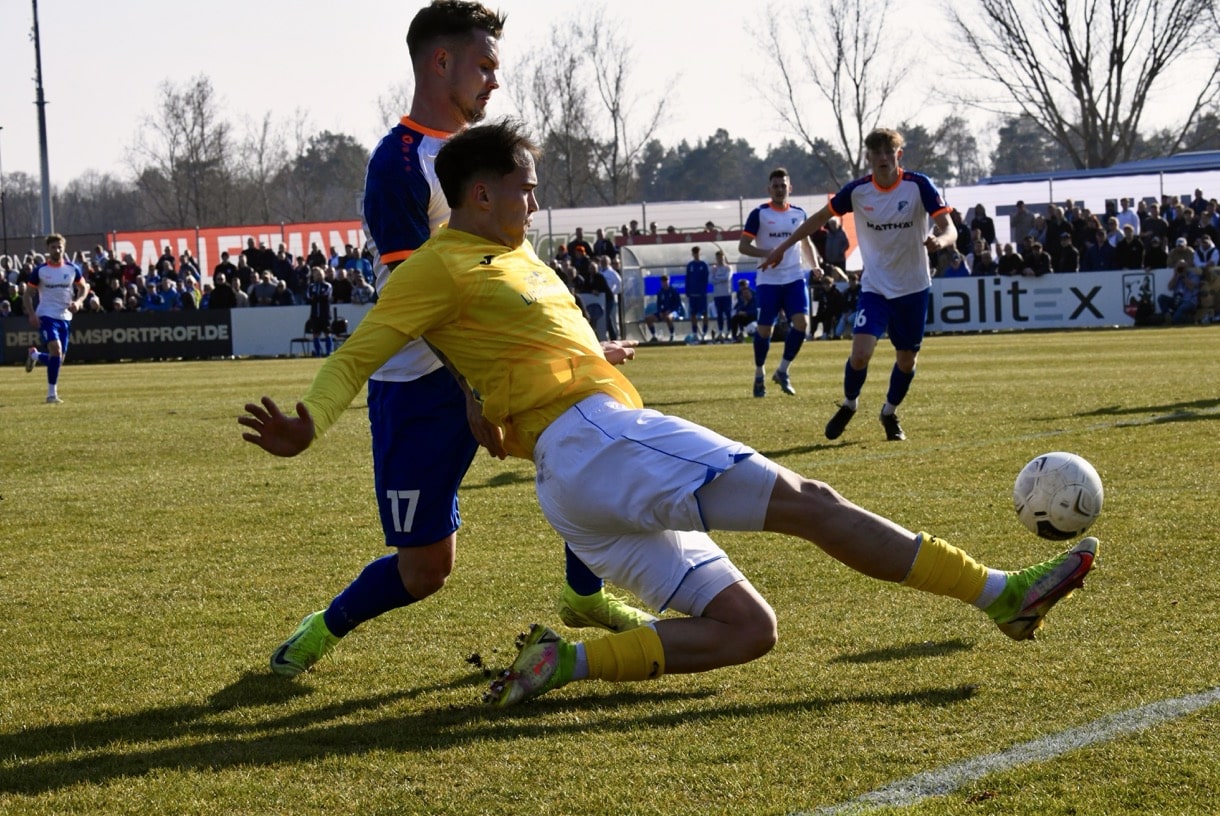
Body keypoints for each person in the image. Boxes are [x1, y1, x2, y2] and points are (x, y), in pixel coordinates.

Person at [238, 119, 1099, 709]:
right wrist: (311, 420)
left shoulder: (513, 256)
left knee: (747, 629)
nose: (535, 202)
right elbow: (364, 346)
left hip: (573, 483)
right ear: (480, 191)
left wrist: (548, 378)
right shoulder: (440, 262)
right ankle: (999, 594)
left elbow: (500, 369)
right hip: (596, 448)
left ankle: (566, 660)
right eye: (526, 188)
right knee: (811, 500)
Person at [259, 1, 647, 681]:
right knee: (426, 569)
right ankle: (325, 625)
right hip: (420, 387)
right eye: (485, 65)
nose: (495, 80)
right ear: (441, 62)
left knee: (596, 450)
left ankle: (583, 593)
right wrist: (471, 389)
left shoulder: (491, 152)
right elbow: (420, 304)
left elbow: (523, 267)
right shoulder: (398, 165)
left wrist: (576, 352)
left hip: (502, 369)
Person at [762, 128, 956, 443]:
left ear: (898, 155)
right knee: (860, 354)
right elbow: (816, 219)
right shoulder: (857, 191)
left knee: (907, 361)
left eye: (887, 152)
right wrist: (783, 247)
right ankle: (849, 404)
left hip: (913, 287)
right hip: (875, 288)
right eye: (875, 153)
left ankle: (889, 412)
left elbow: (950, 229)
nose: (882, 158)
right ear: (868, 158)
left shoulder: (919, 185)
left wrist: (940, 240)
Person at [737, 167, 816, 397]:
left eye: (784, 186)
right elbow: (743, 246)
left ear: (790, 188)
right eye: (776, 186)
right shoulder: (759, 214)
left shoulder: (799, 213)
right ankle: (760, 373)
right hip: (768, 280)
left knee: (802, 324)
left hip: (793, 277)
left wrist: (815, 266)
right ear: (769, 189)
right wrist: (767, 252)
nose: (780, 189)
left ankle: (782, 370)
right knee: (764, 330)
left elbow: (806, 243)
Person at [23, 233, 88, 404]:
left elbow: (83, 287)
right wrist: (31, 313)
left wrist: (79, 302)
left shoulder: (72, 269)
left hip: (65, 317)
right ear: (48, 249)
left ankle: (35, 356)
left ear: (64, 248)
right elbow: (28, 294)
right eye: (53, 247)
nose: (57, 250)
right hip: (46, 314)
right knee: (56, 349)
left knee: (58, 359)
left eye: (60, 247)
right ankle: (52, 394)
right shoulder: (41, 271)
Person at [644, 274, 682, 341]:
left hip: (674, 312)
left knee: (668, 317)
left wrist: (670, 310)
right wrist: (660, 312)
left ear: (669, 281)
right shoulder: (660, 292)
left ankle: (672, 334)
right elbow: (658, 304)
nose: (665, 282)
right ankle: (654, 336)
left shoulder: (674, 291)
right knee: (648, 318)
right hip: (663, 312)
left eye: (666, 280)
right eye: (663, 281)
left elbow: (678, 304)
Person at [684, 246, 710, 341]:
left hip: (701, 294)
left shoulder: (703, 265)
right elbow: (687, 279)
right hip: (692, 294)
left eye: (697, 252)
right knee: (693, 314)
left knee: (704, 313)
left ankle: (704, 332)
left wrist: (704, 290)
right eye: (694, 253)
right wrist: (687, 290)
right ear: (692, 254)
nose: (696, 254)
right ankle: (695, 333)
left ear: (700, 253)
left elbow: (706, 279)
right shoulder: (690, 265)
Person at [709, 250, 734, 341]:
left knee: (728, 314)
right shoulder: (714, 269)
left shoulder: (728, 268)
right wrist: (720, 279)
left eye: (721, 257)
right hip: (717, 295)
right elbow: (711, 280)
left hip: (726, 294)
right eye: (718, 258)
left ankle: (729, 332)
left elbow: (727, 278)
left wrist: (717, 278)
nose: (720, 259)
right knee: (719, 314)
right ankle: (720, 332)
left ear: (724, 258)